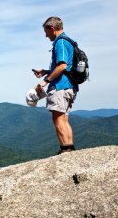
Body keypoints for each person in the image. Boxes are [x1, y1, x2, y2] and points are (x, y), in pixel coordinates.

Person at [33, 16, 78, 154]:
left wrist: (46, 80)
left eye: (46, 32)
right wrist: (46, 71)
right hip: (69, 86)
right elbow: (66, 66)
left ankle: (65, 150)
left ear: (52, 28)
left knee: (58, 119)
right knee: (64, 118)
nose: (46, 36)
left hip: (61, 86)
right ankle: (69, 148)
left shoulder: (61, 42)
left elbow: (63, 65)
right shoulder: (68, 41)